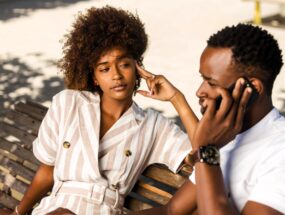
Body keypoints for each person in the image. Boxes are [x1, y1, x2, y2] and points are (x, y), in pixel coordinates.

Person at [0, 6, 197, 215]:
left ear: (137, 66)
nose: (116, 76)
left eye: (124, 64)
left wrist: (177, 99)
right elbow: (47, 172)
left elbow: (206, 154)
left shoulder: (153, 125)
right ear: (94, 77)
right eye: (104, 69)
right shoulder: (68, 103)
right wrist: (19, 212)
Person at [132, 23, 285, 215]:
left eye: (211, 82)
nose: (200, 91)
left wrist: (208, 151)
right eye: (202, 80)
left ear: (251, 88)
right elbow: (171, 212)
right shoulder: (226, 139)